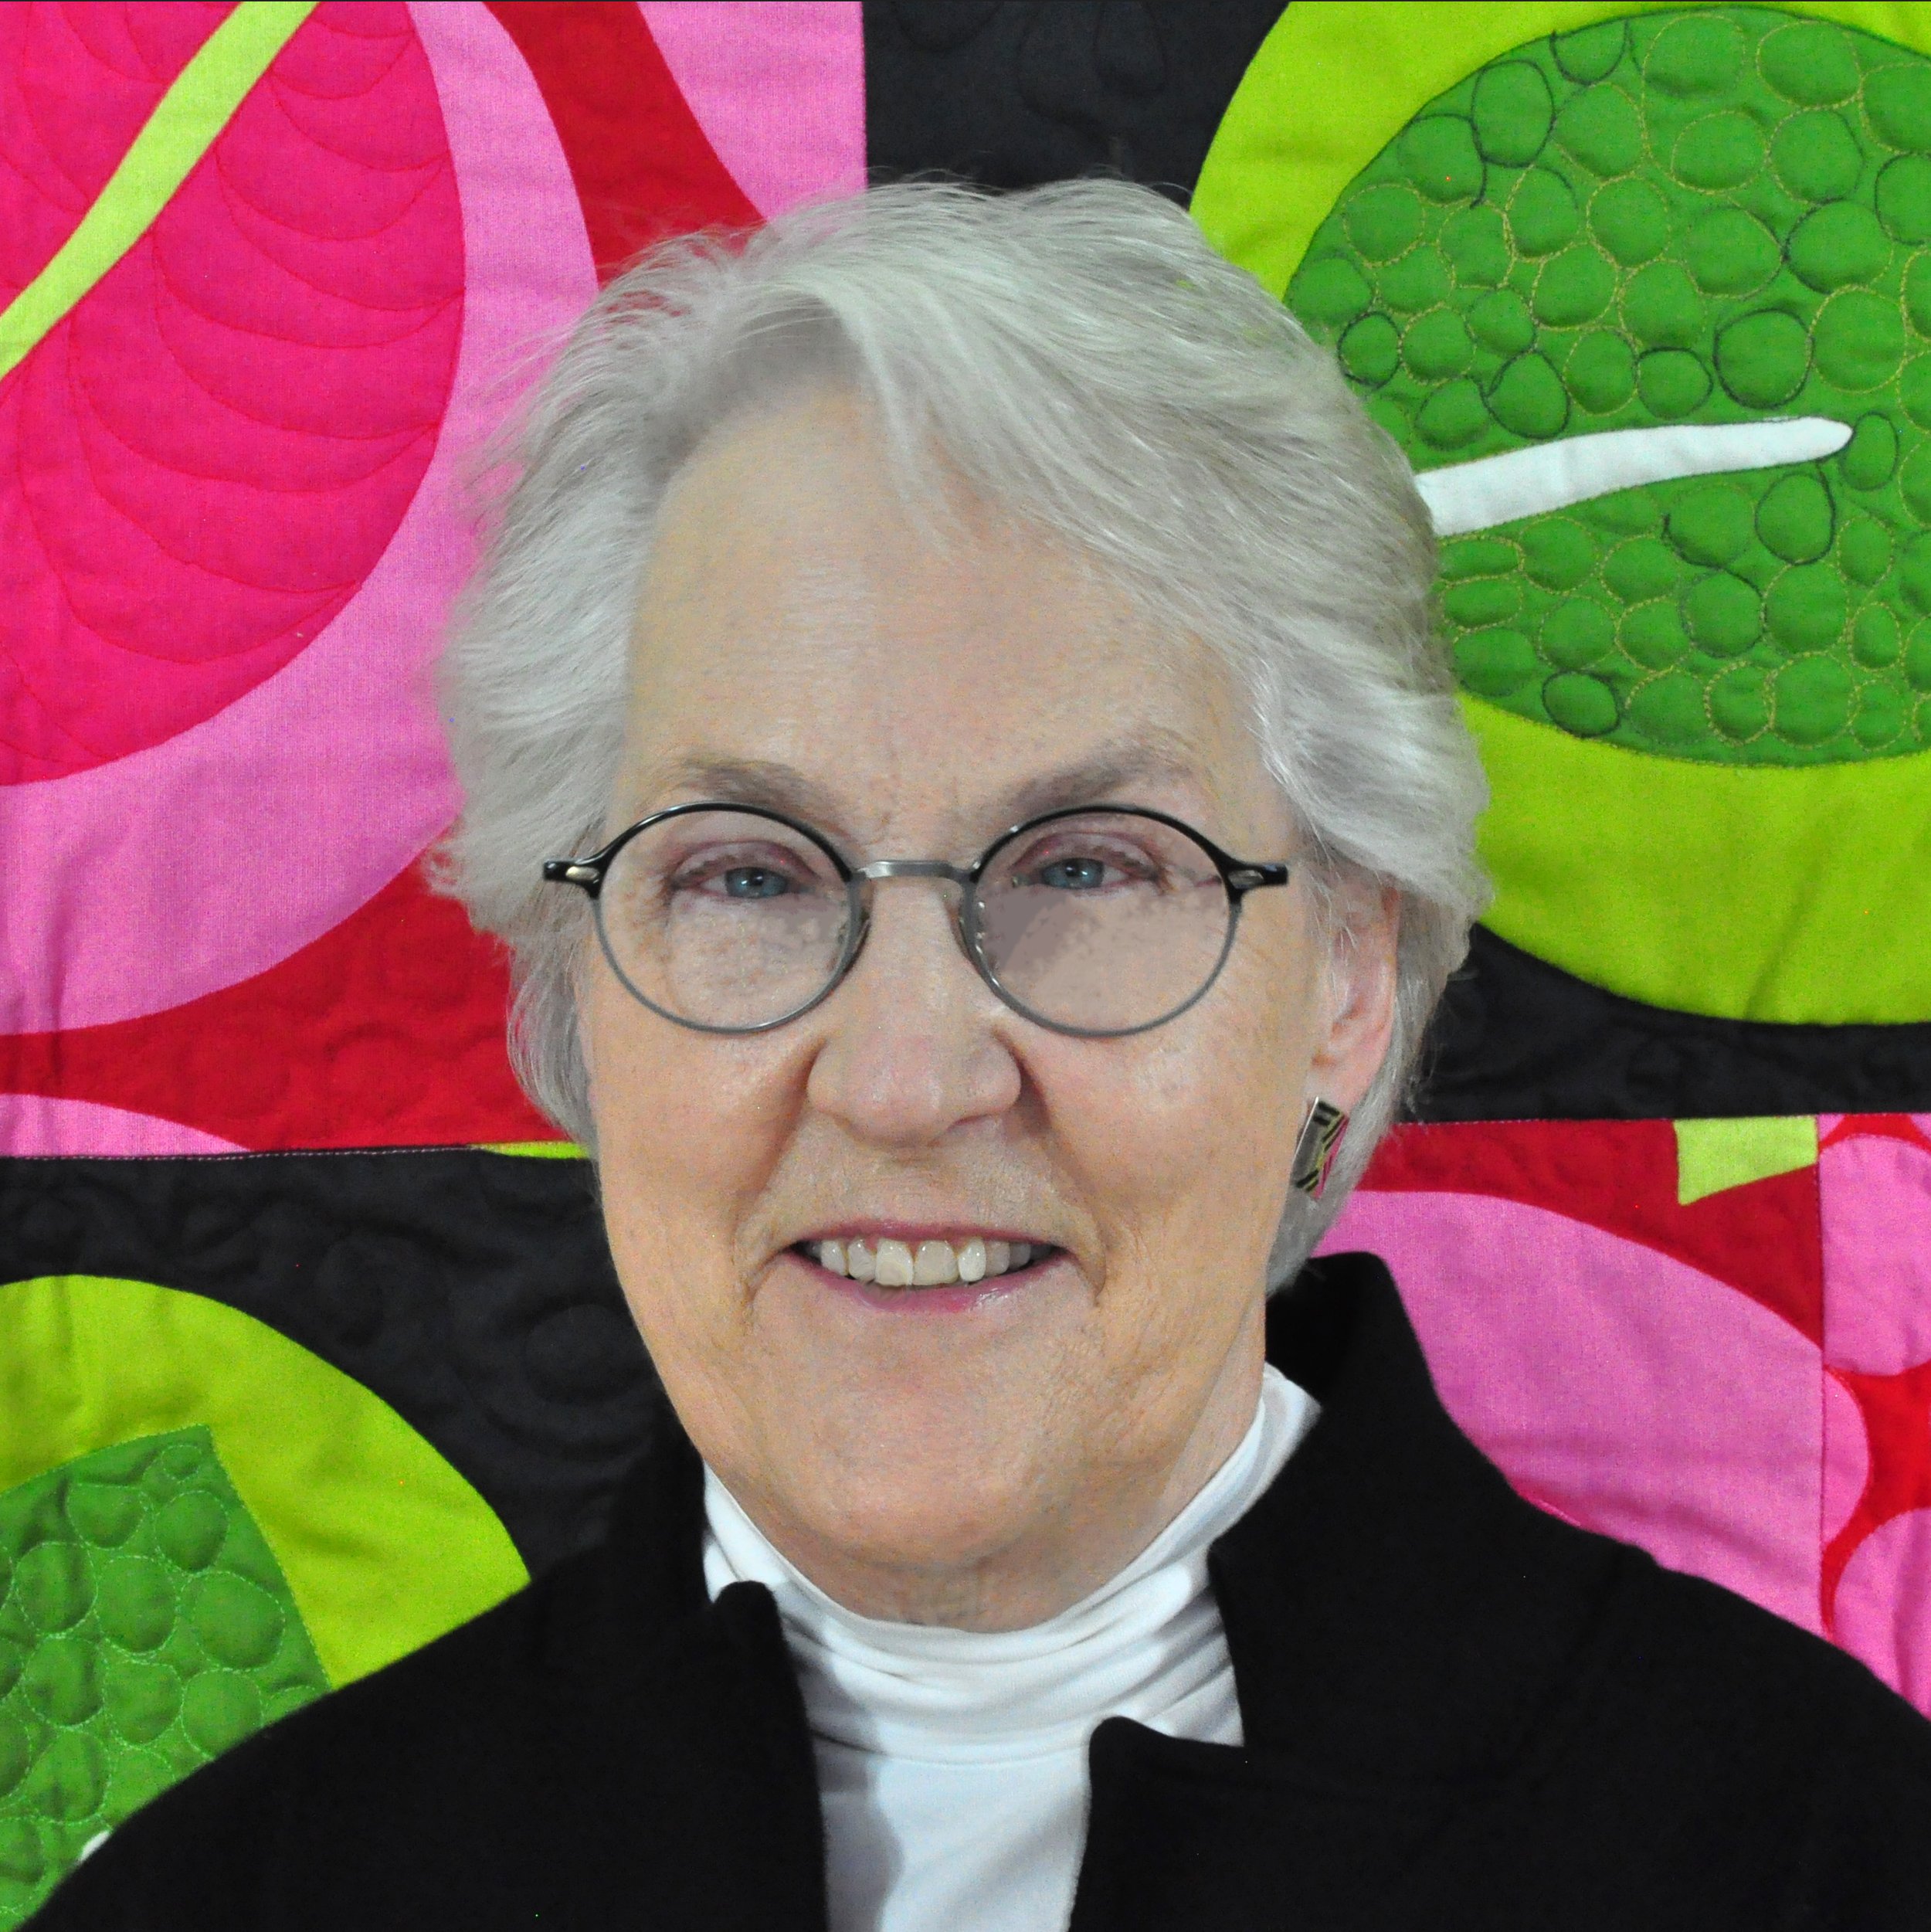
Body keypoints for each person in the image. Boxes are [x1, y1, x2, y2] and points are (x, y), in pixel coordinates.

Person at [33, 179, 1931, 1932]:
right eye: (751, 875)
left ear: (1346, 980)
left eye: (1088, 864)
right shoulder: (236, 1899)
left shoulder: (1826, 1858)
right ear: (580, 989)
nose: (908, 1076)